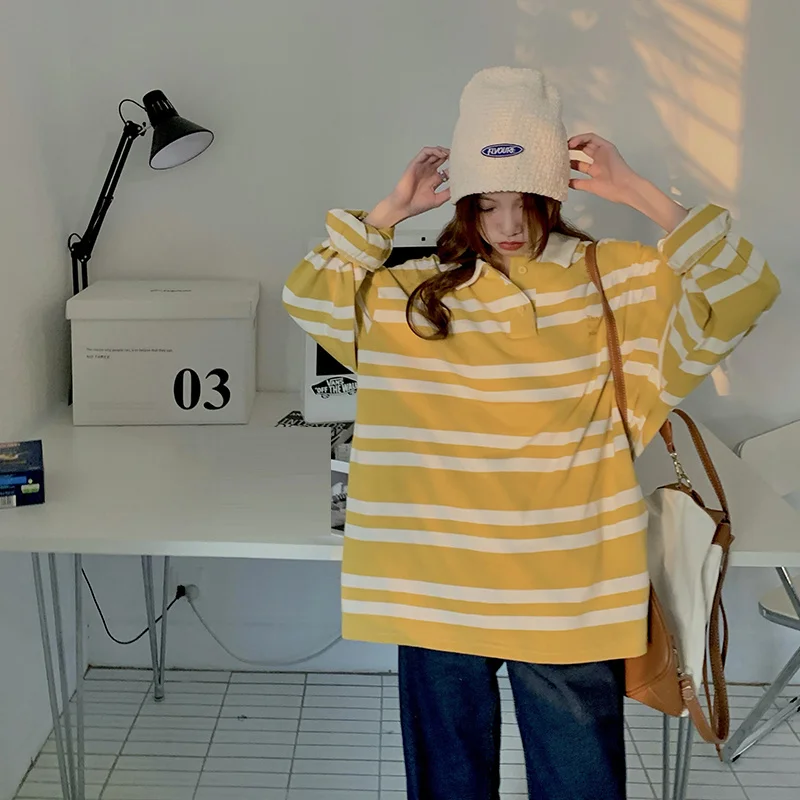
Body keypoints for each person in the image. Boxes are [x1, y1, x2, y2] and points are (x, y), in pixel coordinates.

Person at [282, 67, 780, 800]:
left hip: (568, 586)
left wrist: (638, 192)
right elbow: (308, 294)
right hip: (437, 581)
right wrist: (388, 212)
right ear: (463, 205)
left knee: (579, 788)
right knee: (449, 789)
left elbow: (746, 289)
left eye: (527, 203)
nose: (509, 226)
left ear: (556, 196)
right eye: (487, 204)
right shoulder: (414, 296)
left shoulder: (617, 281)